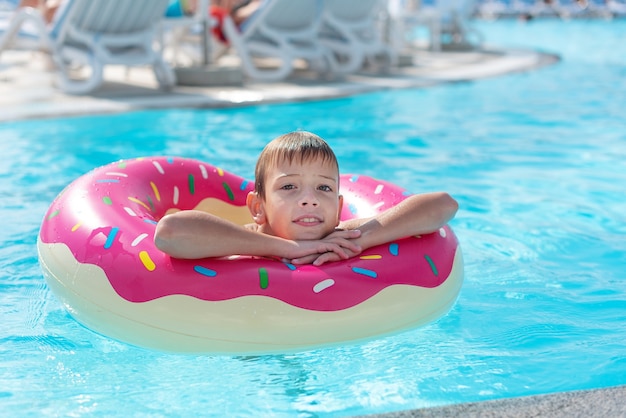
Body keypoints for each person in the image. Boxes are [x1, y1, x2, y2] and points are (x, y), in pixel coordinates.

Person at [154, 131, 459, 266]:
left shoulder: (340, 236)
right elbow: (170, 232)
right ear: (258, 208)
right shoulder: (242, 240)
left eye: (324, 189)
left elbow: (444, 205)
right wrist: (287, 248)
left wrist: (360, 241)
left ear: (338, 209)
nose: (309, 200)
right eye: (289, 188)